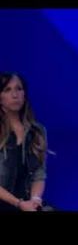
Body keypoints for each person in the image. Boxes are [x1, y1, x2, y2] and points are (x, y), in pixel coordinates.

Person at [0, 72, 49, 211]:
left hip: (26, 204)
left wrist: (35, 200)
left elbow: (39, 174)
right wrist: (18, 203)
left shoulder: (38, 131)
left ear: (24, 94)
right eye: (7, 90)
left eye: (19, 89)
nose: (15, 95)